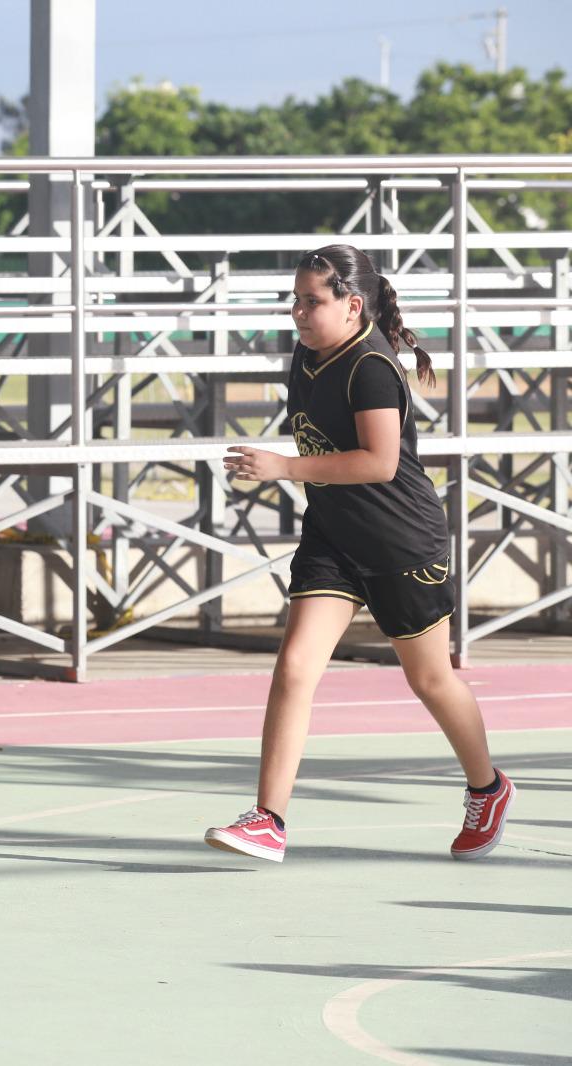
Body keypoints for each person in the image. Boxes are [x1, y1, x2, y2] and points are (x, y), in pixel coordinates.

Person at [207, 243, 512, 863]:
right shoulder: (308, 353)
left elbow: (380, 462)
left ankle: (488, 786)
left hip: (402, 541)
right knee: (294, 666)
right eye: (294, 300)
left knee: (428, 679)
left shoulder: (372, 366)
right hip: (333, 537)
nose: (298, 312)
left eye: (311, 302)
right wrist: (291, 472)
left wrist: (284, 467)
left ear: (351, 305)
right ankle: (268, 818)